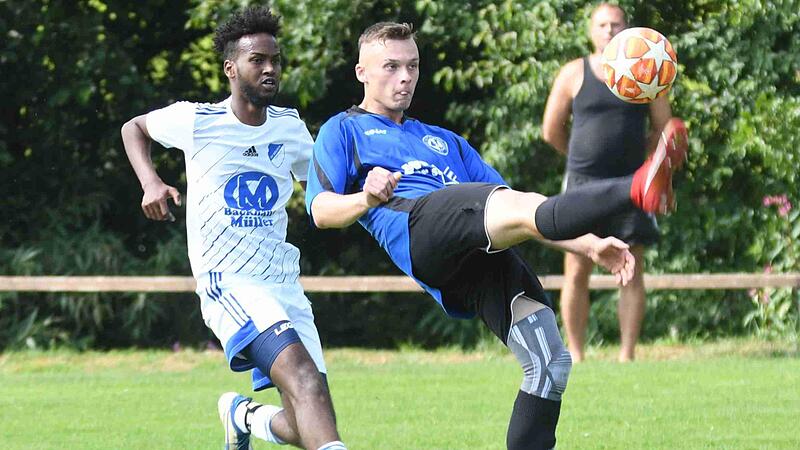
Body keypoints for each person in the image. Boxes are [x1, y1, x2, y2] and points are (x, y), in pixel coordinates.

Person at [305, 22, 687, 449]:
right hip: (421, 229)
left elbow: (522, 211)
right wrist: (365, 199)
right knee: (497, 203)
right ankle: (636, 188)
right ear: (362, 72)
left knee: (549, 364)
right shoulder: (342, 130)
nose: (405, 76)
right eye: (391, 66)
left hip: (473, 253)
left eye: (412, 65)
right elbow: (321, 211)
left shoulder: (445, 141)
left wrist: (590, 244)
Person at [120, 7, 346, 450]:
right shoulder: (197, 120)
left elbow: (325, 185)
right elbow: (134, 128)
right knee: (302, 377)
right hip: (230, 281)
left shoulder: (290, 127)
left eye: (275, 60)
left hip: (284, 283)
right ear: (230, 68)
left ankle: (243, 415)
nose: (269, 69)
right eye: (257, 60)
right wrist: (151, 182)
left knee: (308, 416)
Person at [542, 2, 687, 363]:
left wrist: (652, 166)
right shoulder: (574, 73)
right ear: (592, 31)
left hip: (631, 185)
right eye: (602, 24)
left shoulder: (647, 73)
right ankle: (575, 354)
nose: (609, 30)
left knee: (631, 269)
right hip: (582, 182)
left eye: (616, 24)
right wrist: (579, 161)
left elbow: (663, 128)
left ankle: (627, 356)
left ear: (627, 29)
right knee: (576, 268)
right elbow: (551, 130)